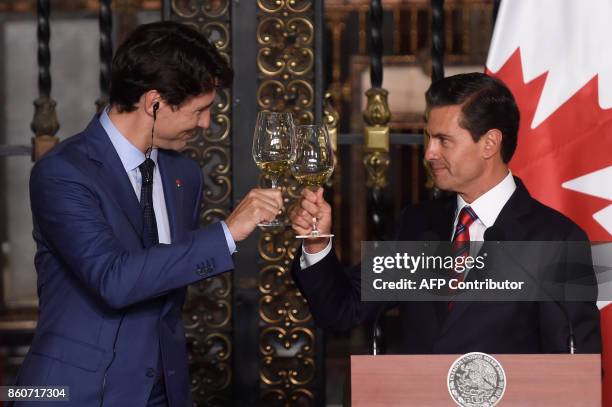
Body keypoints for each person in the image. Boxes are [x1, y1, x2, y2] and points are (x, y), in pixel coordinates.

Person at [13, 21, 282, 406]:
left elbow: (166, 281)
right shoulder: (62, 172)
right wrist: (226, 233)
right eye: (200, 110)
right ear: (153, 102)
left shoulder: (184, 174)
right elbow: (114, 279)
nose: (206, 123)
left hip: (161, 393)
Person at [289, 73, 601, 355]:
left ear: (489, 143)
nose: (429, 153)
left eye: (444, 140)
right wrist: (316, 245)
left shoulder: (558, 240)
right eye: (429, 137)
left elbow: (573, 368)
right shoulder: (418, 224)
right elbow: (343, 311)